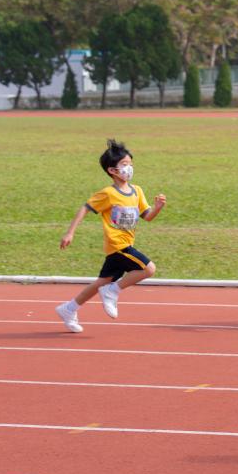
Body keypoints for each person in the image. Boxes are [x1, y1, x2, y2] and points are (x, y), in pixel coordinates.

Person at [55, 140, 166, 333]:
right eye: (124, 164)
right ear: (112, 170)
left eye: (130, 164)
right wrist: (70, 232)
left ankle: (69, 309)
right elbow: (85, 208)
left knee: (102, 281)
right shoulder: (108, 193)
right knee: (148, 269)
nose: (129, 168)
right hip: (118, 245)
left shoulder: (137, 191)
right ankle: (112, 291)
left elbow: (147, 216)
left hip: (125, 244)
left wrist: (157, 208)